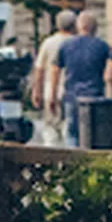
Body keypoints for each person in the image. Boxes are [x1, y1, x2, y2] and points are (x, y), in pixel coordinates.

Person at [56, 9, 111, 146]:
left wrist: (53, 95)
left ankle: (72, 162)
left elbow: (55, 70)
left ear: (78, 26)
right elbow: (109, 74)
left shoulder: (66, 45)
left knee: (72, 133)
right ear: (95, 28)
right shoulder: (103, 46)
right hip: (95, 95)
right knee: (94, 134)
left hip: (72, 95)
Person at [30, 8, 77, 146]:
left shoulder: (48, 42)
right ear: (74, 25)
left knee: (50, 130)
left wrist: (36, 91)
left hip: (50, 91)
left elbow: (40, 69)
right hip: (70, 91)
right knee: (69, 130)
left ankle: (50, 159)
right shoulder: (76, 43)